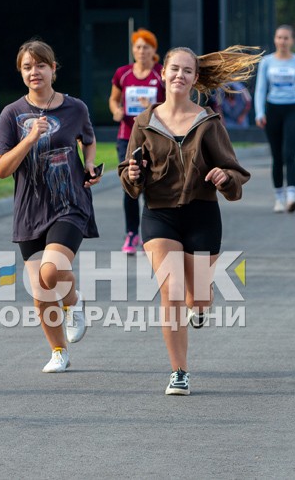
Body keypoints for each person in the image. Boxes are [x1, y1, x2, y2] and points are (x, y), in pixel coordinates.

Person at [119, 45, 257, 396]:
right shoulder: (144, 122)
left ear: (196, 79)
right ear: (162, 74)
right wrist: (133, 173)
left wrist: (225, 178)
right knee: (172, 291)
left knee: (199, 298)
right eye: (174, 69)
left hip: (201, 214)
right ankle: (179, 371)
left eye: (187, 71)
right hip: (159, 215)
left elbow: (235, 170)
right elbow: (128, 173)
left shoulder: (208, 122)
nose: (179, 75)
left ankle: (200, 306)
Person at [0, 39, 100, 374]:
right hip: (30, 208)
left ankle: (74, 303)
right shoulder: (12, 114)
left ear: (53, 68)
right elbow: (1, 169)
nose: (34, 72)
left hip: (69, 203)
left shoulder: (75, 108)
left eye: (40, 65)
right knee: (40, 291)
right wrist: (28, 139)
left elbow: (89, 139)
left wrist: (90, 166)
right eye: (27, 67)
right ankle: (58, 352)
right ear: (21, 73)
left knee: (51, 272)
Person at [109, 29, 165, 254]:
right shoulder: (123, 74)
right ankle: (131, 233)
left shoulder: (161, 74)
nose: (142, 51)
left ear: (154, 50)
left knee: (152, 184)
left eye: (146, 47)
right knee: (130, 185)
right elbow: (113, 99)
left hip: (155, 138)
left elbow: (171, 104)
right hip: (127, 137)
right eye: (138, 47)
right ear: (133, 50)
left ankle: (151, 234)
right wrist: (115, 110)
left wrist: (151, 108)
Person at [254, 25, 295, 213]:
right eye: (279, 37)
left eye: (286, 38)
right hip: (273, 109)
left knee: (289, 154)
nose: (282, 41)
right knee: (277, 156)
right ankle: (279, 197)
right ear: (275, 40)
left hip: (293, 109)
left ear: (292, 41)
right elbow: (261, 88)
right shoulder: (267, 62)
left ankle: (291, 197)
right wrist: (259, 112)